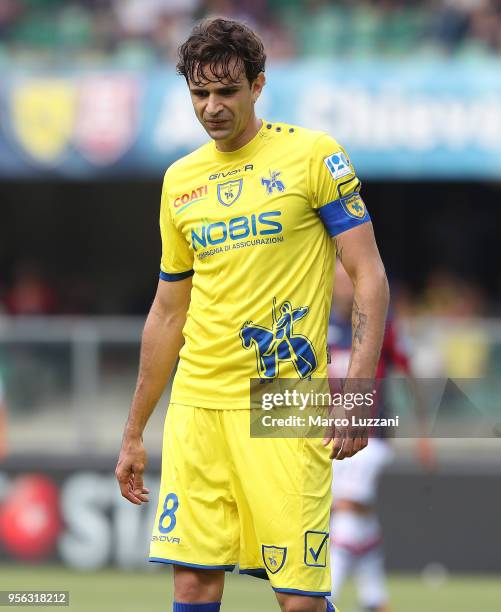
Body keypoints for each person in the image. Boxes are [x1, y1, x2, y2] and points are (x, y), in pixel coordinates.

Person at [115, 17, 389, 612]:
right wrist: (135, 429)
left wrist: (356, 394)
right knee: (193, 582)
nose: (212, 107)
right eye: (200, 93)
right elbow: (168, 311)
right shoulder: (179, 181)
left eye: (227, 91)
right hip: (197, 403)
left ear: (258, 84)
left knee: (299, 598)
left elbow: (369, 277)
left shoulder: (314, 156)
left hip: (285, 398)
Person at [327, 264, 435, 612]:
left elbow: (410, 374)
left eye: (349, 281)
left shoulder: (380, 328)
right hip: (328, 437)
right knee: (358, 513)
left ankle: (326, 596)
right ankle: (375, 599)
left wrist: (422, 432)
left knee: (346, 506)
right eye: (339, 281)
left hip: (370, 435)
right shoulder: (317, 327)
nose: (345, 288)